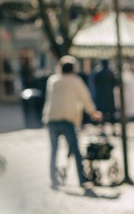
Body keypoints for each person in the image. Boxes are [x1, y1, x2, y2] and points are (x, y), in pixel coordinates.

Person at [42, 56, 102, 192]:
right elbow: (85, 98)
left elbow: (48, 99)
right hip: (68, 119)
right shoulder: (75, 81)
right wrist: (93, 112)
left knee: (53, 150)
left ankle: (53, 179)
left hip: (51, 119)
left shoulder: (53, 80)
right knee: (75, 150)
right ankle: (82, 179)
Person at [91, 59, 118, 128]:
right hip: (109, 95)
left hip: (101, 95)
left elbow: (95, 83)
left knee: (102, 113)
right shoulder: (110, 72)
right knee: (111, 113)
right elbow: (114, 83)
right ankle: (113, 128)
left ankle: (103, 128)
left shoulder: (98, 72)